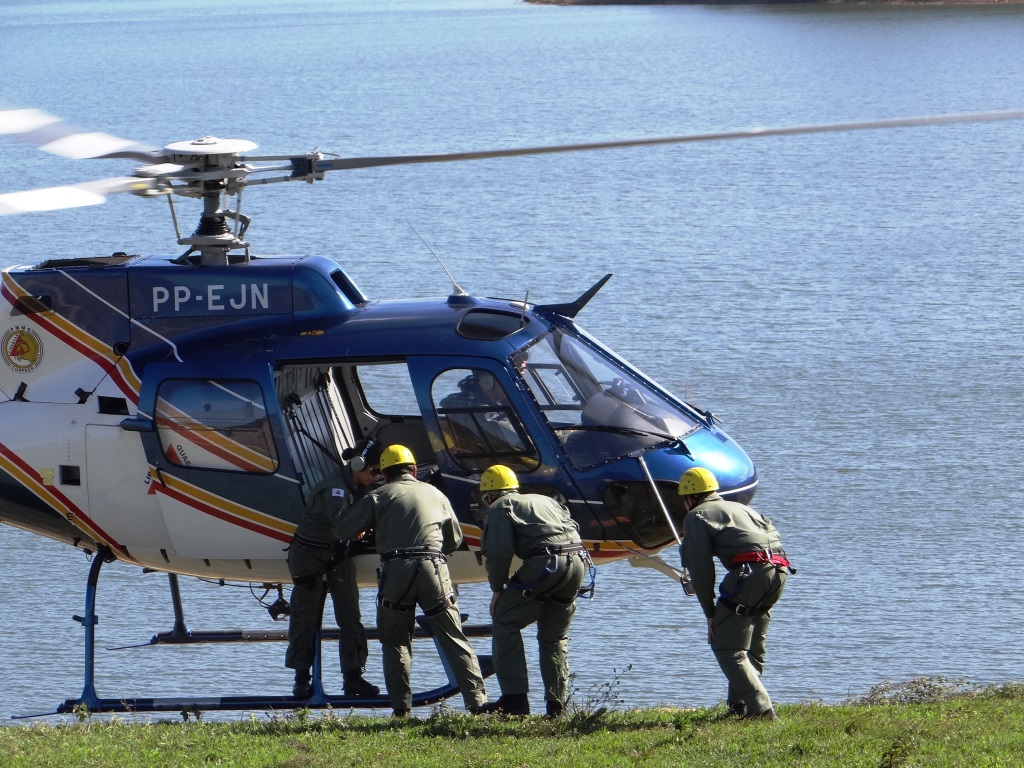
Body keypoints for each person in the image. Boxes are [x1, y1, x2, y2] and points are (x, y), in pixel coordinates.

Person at [331, 444, 488, 717]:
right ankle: (478, 705)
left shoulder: (378, 496)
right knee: (453, 637)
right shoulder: (436, 494)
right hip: (433, 568)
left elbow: (342, 528)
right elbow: (454, 540)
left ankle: (401, 709)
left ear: (384, 474)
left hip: (396, 571)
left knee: (396, 642)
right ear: (414, 470)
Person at [677, 467, 794, 720]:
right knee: (752, 646)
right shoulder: (743, 509)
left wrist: (710, 613)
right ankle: (738, 707)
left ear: (689, 498)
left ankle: (762, 711)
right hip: (781, 570)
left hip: (751, 573)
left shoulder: (697, 515)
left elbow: (700, 569)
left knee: (725, 645)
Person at [476, 464, 589, 717]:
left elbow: (498, 554)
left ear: (490, 495)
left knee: (504, 620)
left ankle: (514, 700)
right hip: (578, 562)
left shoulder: (500, 506)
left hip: (546, 563)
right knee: (554, 637)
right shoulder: (546, 500)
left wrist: (498, 589)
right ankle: (557, 707)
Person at [285, 439, 381, 700]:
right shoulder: (335, 489)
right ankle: (301, 679)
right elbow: (341, 525)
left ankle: (353, 677)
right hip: (309, 555)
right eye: (374, 471)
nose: (376, 477)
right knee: (305, 616)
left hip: (338, 554)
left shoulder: (359, 485)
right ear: (358, 465)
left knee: (350, 615)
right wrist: (360, 526)